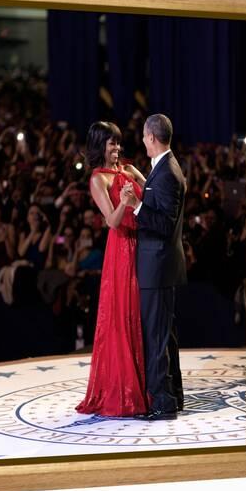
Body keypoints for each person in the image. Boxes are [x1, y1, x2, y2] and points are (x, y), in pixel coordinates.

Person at [75, 121, 149, 417]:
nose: (117, 148)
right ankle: (123, 390)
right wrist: (127, 202)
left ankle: (145, 385)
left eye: (118, 143)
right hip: (120, 250)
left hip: (141, 246)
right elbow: (112, 221)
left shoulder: (129, 170)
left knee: (139, 314)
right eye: (111, 144)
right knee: (120, 314)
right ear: (99, 146)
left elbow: (152, 189)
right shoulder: (97, 179)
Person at [121, 114, 187, 421]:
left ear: (151, 138)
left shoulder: (167, 173)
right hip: (160, 266)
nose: (143, 141)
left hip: (157, 267)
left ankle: (162, 403)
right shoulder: (164, 169)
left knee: (156, 337)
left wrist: (135, 204)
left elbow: (163, 223)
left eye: (145, 137)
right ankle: (174, 396)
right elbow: (160, 206)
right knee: (166, 335)